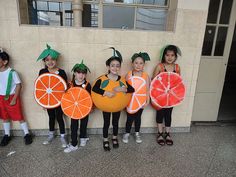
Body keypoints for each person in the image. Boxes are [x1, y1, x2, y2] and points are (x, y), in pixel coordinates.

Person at [92, 47, 134, 151]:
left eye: (117, 66)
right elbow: (95, 88)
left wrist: (122, 89)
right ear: (108, 66)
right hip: (106, 106)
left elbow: (131, 89)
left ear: (120, 67)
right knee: (106, 123)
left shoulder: (122, 80)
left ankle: (114, 137)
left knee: (115, 122)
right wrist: (105, 92)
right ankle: (105, 139)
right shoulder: (102, 79)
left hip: (117, 107)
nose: (115, 68)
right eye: (113, 66)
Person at [0, 49, 33, 146]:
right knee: (5, 117)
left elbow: (19, 85)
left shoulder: (12, 72)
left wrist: (14, 98)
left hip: (11, 97)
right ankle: (7, 135)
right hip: (1, 99)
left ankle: (27, 134)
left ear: (5, 62)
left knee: (19, 116)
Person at [37, 44, 67, 148]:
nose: (50, 62)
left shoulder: (62, 72)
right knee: (51, 117)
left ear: (56, 60)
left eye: (52, 59)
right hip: (48, 101)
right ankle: (51, 135)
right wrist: (43, 102)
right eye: (47, 60)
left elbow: (65, 88)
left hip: (59, 101)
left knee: (59, 117)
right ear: (44, 62)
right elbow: (41, 88)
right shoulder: (42, 72)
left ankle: (63, 136)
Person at [152, 45, 181, 146]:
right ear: (164, 56)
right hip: (160, 96)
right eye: (167, 55)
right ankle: (160, 133)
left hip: (171, 97)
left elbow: (178, 82)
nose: (170, 57)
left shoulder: (177, 67)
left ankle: (167, 133)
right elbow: (153, 81)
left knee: (168, 114)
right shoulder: (160, 66)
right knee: (160, 114)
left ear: (175, 56)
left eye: (172, 55)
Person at [122, 52, 150, 144]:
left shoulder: (146, 76)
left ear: (144, 65)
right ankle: (127, 133)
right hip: (130, 101)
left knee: (138, 118)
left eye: (141, 63)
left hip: (140, 101)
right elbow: (125, 89)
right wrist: (123, 102)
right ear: (132, 63)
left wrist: (147, 101)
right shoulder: (129, 74)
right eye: (136, 63)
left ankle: (137, 133)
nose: (138, 65)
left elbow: (147, 90)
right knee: (129, 118)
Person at [64, 61, 91, 153]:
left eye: (83, 73)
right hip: (73, 110)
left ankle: (83, 137)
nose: (81, 75)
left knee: (84, 124)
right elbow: (67, 97)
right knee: (74, 127)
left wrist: (90, 108)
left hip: (84, 109)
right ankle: (74, 144)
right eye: (79, 72)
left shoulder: (88, 84)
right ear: (75, 73)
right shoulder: (70, 84)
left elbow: (90, 97)